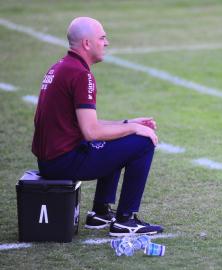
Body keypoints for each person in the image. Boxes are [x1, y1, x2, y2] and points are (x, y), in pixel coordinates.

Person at [31, 17, 163, 236]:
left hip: (51, 160)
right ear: (86, 43)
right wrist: (135, 130)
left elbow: (83, 126)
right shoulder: (81, 75)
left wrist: (128, 123)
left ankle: (100, 213)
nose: (107, 43)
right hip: (63, 162)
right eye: (102, 38)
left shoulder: (61, 67)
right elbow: (91, 132)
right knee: (144, 141)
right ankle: (125, 220)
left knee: (119, 137)